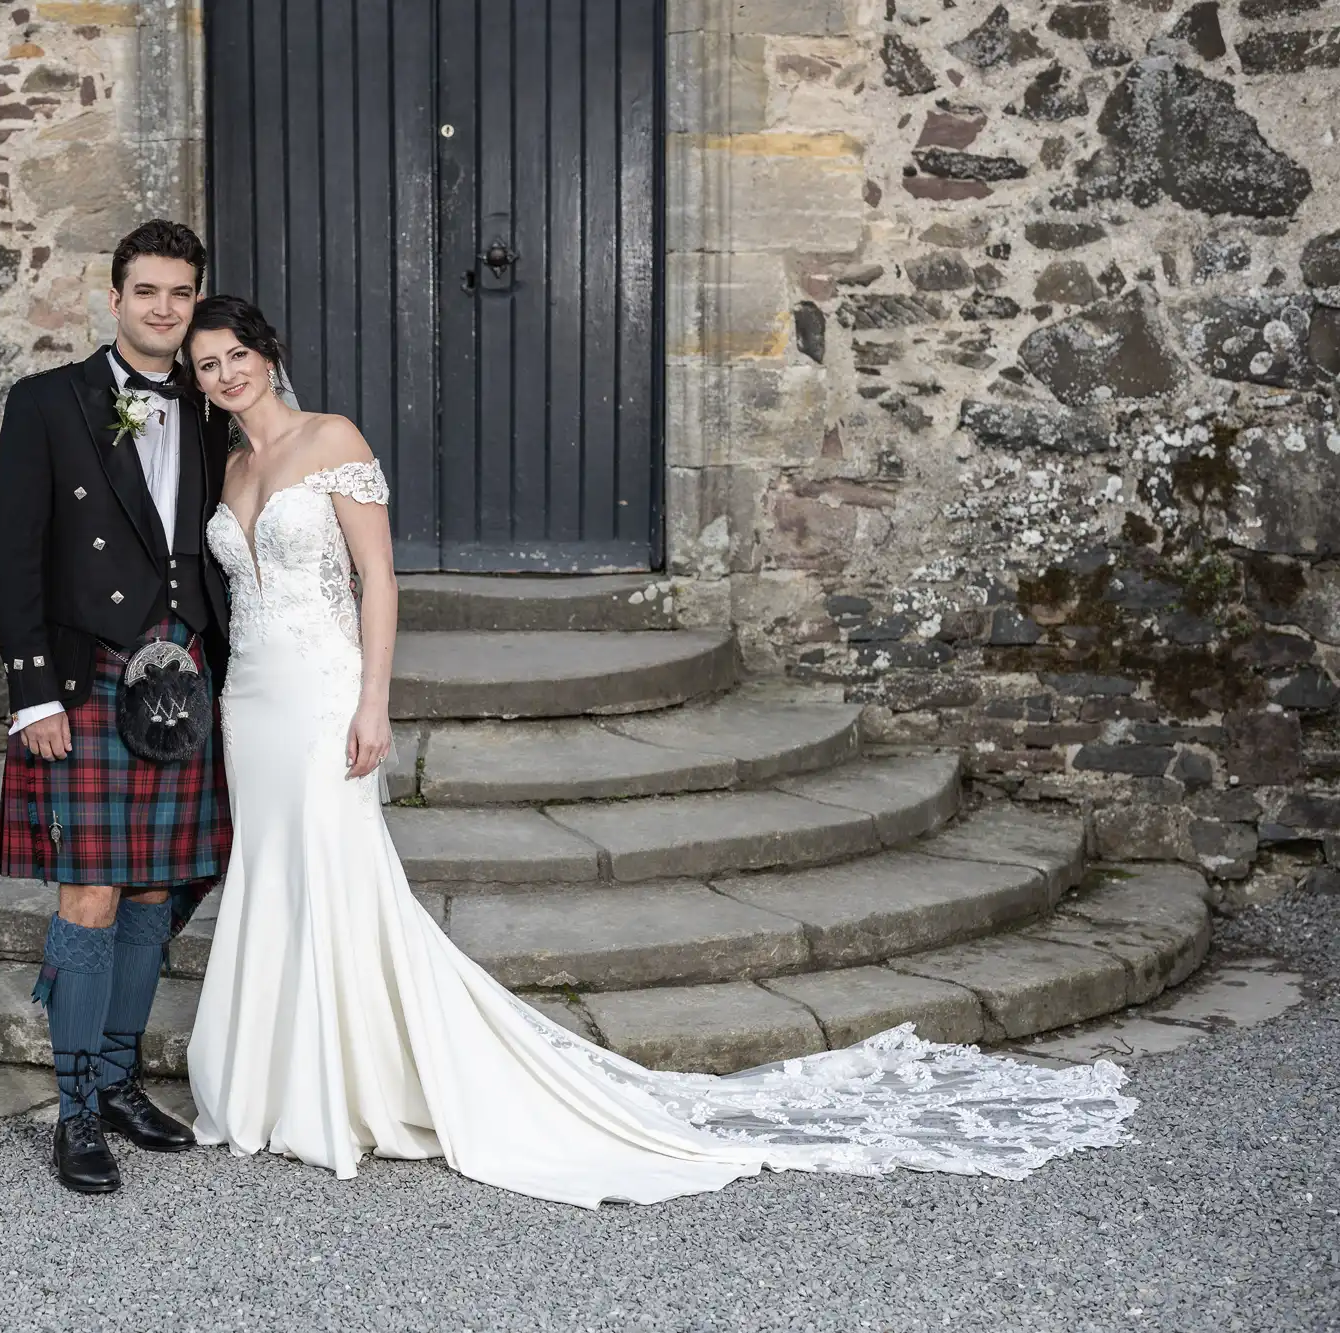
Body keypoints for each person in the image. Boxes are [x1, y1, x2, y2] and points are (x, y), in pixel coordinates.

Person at [180, 293, 1138, 1209]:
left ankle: (341, 1085)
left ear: (270, 355)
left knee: (338, 873)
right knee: (272, 873)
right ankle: (270, 1082)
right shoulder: (227, 473)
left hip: (324, 693)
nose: (226, 375)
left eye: (238, 357)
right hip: (250, 702)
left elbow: (378, 581)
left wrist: (374, 702)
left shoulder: (333, 439)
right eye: (208, 365)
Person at [0, 220, 233, 1195]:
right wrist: (31, 691)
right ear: (114, 295)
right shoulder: (48, 403)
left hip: (186, 680)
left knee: (152, 889)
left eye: (179, 293)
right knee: (87, 891)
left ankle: (124, 1077)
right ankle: (77, 1108)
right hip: (88, 677)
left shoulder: (215, 408)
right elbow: (12, 556)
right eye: (146, 292)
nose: (163, 309)